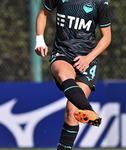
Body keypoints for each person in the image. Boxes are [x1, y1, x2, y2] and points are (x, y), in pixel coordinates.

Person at [34, 0, 111, 149]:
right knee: (64, 75)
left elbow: (106, 37)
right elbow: (43, 13)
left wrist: (88, 59)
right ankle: (88, 110)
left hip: (87, 60)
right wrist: (39, 40)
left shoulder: (100, 3)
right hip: (62, 53)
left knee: (72, 113)